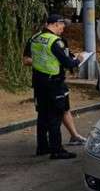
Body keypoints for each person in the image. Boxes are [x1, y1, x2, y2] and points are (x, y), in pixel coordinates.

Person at [25, 15, 84, 159]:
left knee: (42, 115)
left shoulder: (34, 38)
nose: (63, 29)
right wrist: (78, 60)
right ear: (56, 24)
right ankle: (57, 150)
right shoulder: (55, 41)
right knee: (55, 117)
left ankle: (42, 147)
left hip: (39, 82)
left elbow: (29, 58)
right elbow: (68, 63)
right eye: (62, 25)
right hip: (54, 84)